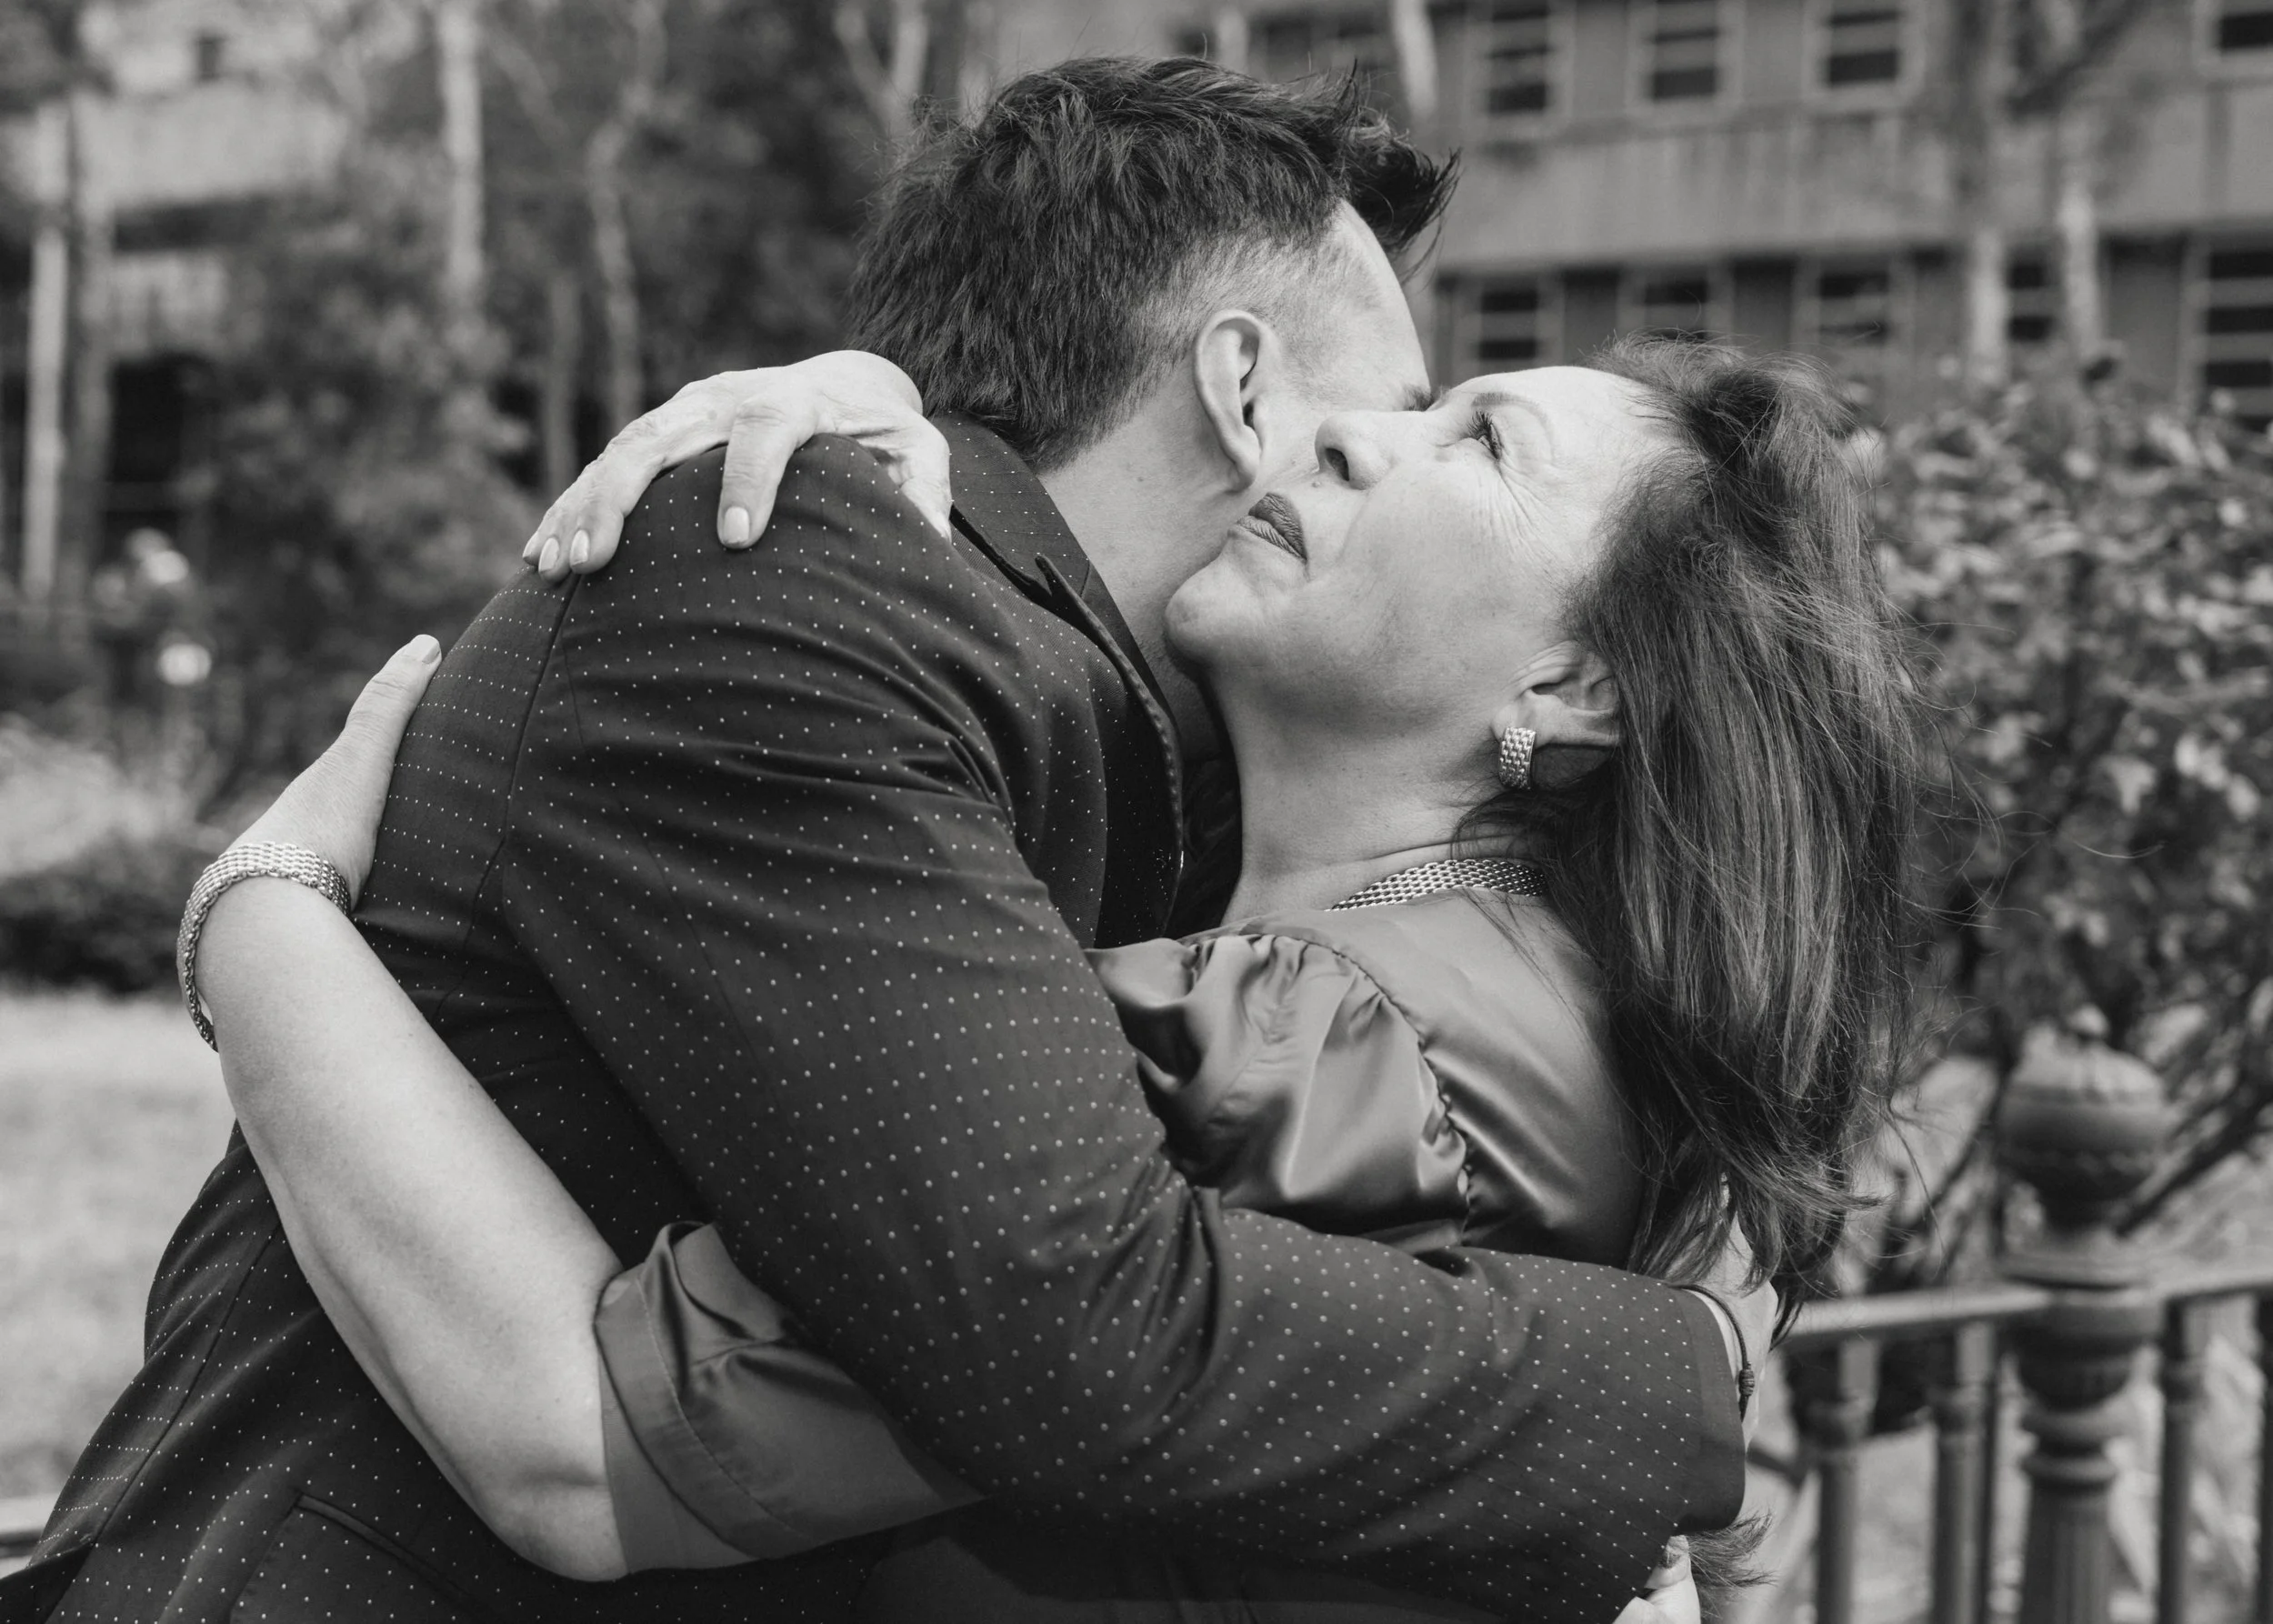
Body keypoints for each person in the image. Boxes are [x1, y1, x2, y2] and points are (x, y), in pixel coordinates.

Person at [8, 61, 1760, 1624]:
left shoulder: (1198, 796)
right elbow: (1040, 1324)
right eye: (1396, 395)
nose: (1376, 441)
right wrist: (1671, 1383)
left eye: (1464, 434)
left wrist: (255, 916)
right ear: (1242, 390)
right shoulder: (801, 571)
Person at [180, 337, 1923, 1621]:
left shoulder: (1325, 1053)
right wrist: (896, 419)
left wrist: (261, 914)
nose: (1339, 436)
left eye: (1476, 442)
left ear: (1578, 686)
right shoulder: (1479, 1001)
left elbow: (575, 1437)